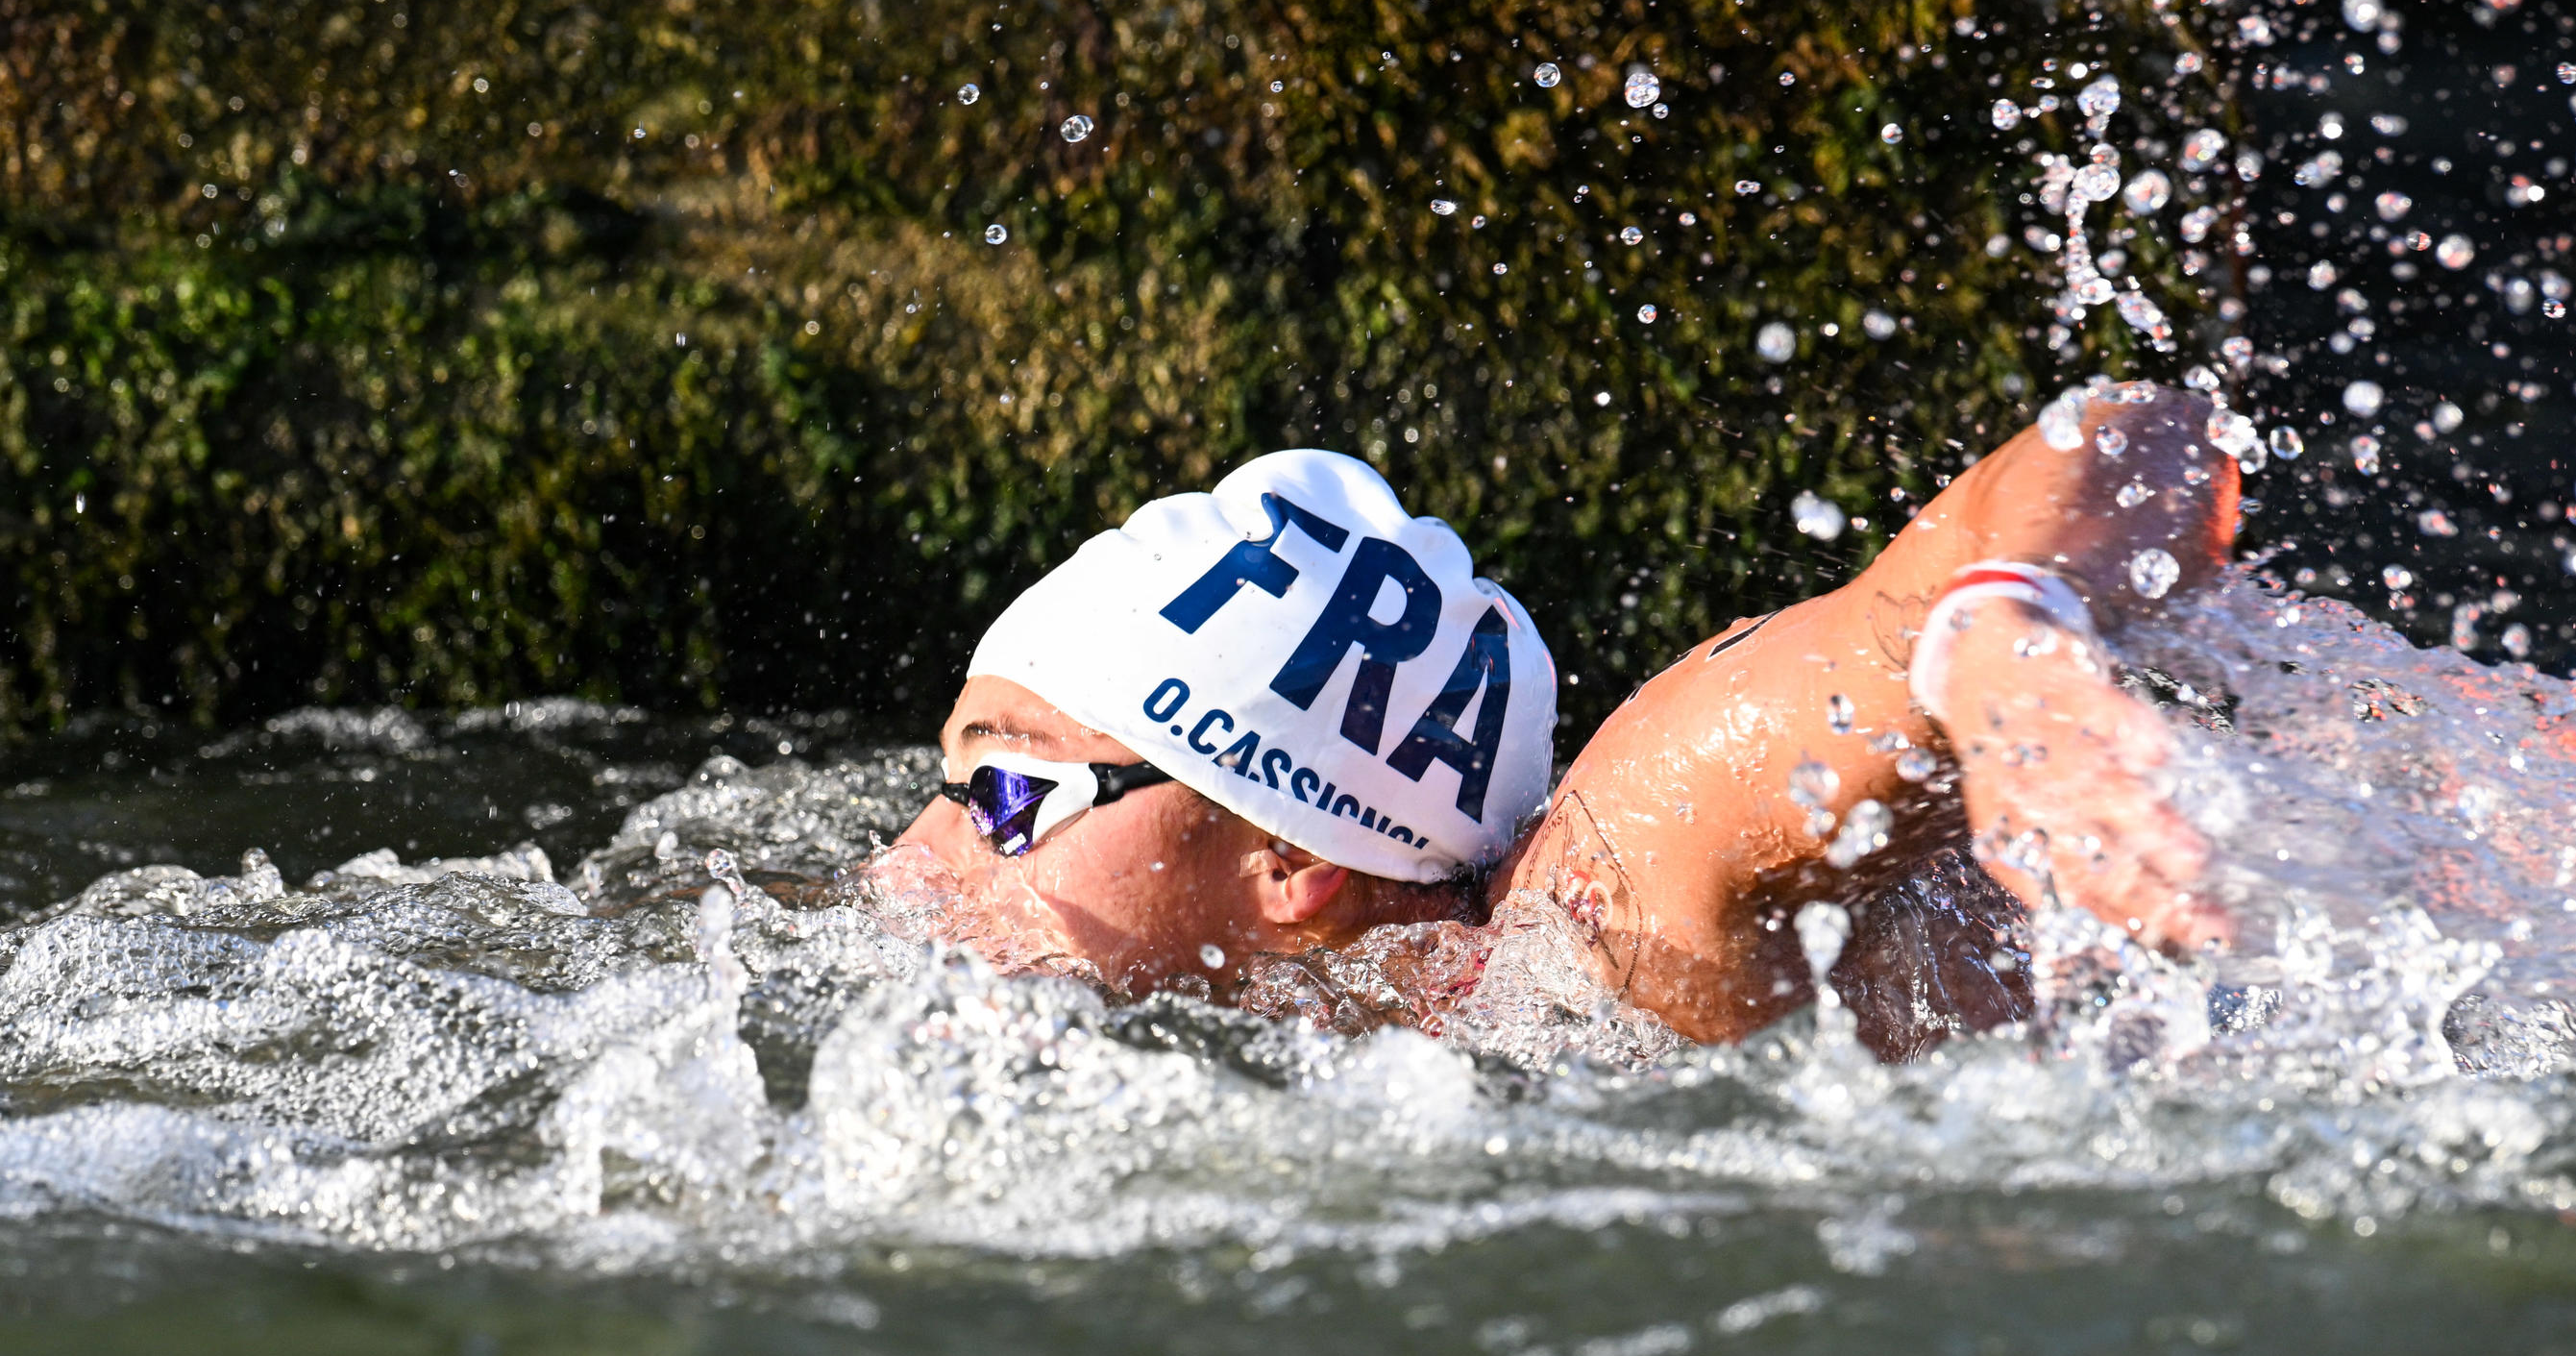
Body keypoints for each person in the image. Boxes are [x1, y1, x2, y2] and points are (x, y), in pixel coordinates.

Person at [859, 383, 2240, 1056]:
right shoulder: (1371, 1024)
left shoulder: (1608, 897)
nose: (908, 864)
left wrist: (2000, 639)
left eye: (1008, 798)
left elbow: (2146, 434)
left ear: (1291, 863)